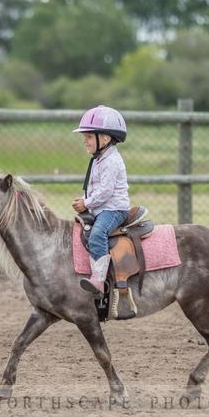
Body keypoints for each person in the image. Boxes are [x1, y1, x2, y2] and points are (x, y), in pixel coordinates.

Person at [71, 105, 130, 294]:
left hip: (114, 209)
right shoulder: (99, 159)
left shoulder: (111, 161)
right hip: (103, 207)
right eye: (84, 137)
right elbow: (95, 188)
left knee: (97, 234)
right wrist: (84, 198)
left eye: (88, 137)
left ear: (105, 138)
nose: (85, 141)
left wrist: (86, 203)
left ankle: (98, 279)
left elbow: (105, 192)